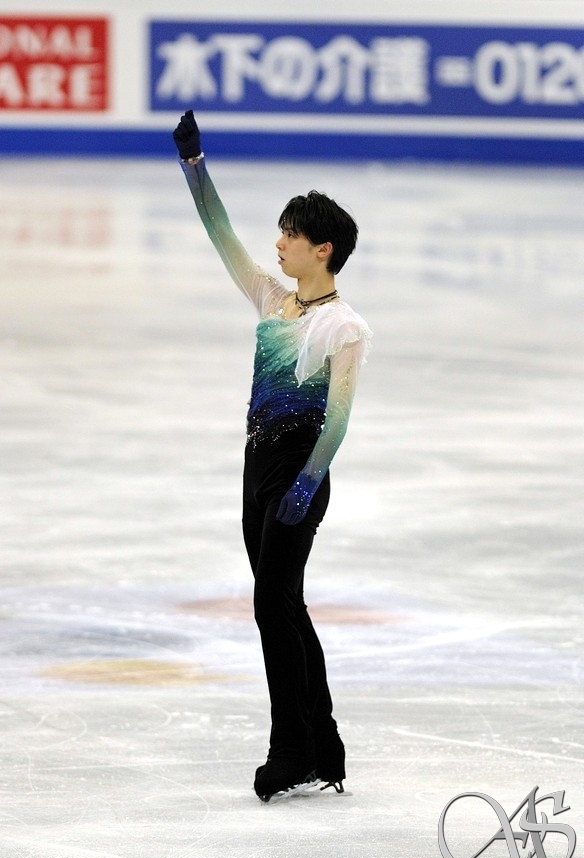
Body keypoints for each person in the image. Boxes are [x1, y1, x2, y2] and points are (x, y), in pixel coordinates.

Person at [173, 111, 372, 801]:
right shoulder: (271, 299)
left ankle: (292, 750)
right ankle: (324, 746)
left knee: (270, 605)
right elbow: (220, 233)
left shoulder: (343, 325)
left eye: (291, 234)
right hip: (257, 471)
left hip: (299, 474)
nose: (278, 243)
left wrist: (307, 483)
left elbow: (338, 417)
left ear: (323, 249)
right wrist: (195, 167)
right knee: (283, 605)